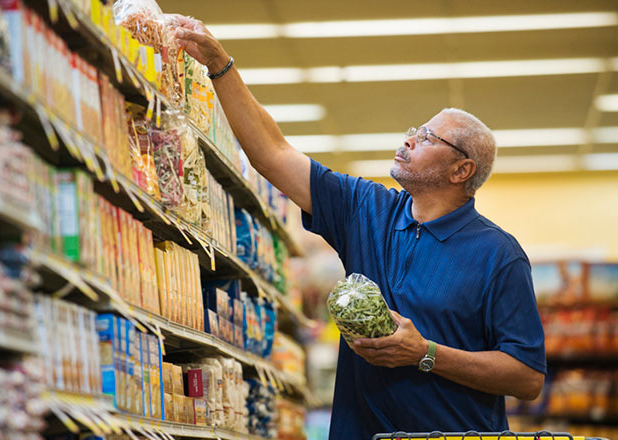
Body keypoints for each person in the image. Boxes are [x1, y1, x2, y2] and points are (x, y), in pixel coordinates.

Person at [174, 17, 547, 439]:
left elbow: (527, 377)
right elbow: (274, 154)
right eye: (413, 131)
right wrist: (221, 66)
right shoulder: (368, 209)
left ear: (462, 170)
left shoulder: (498, 254)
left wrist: (424, 354)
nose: (408, 140)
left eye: (427, 138)